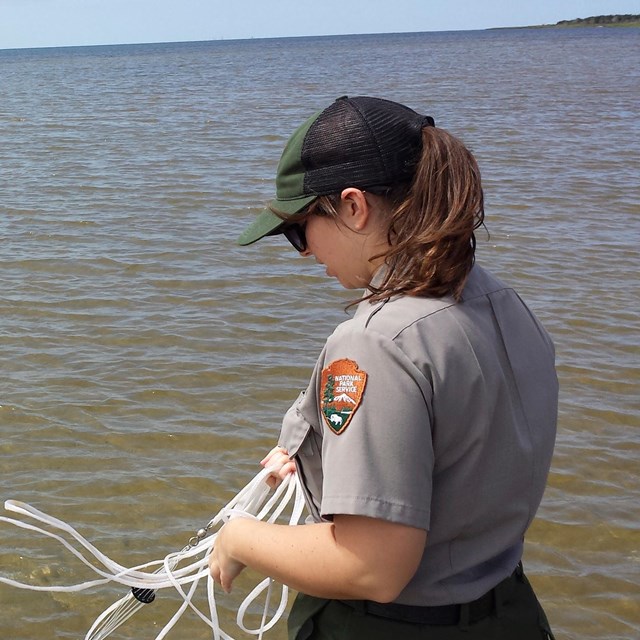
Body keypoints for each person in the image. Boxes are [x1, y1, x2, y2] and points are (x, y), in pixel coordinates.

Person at [208, 96, 558, 640]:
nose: (303, 253)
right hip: (510, 613)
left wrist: (239, 537)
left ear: (353, 207)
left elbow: (371, 565)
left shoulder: (375, 343)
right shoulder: (502, 302)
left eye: (299, 229)